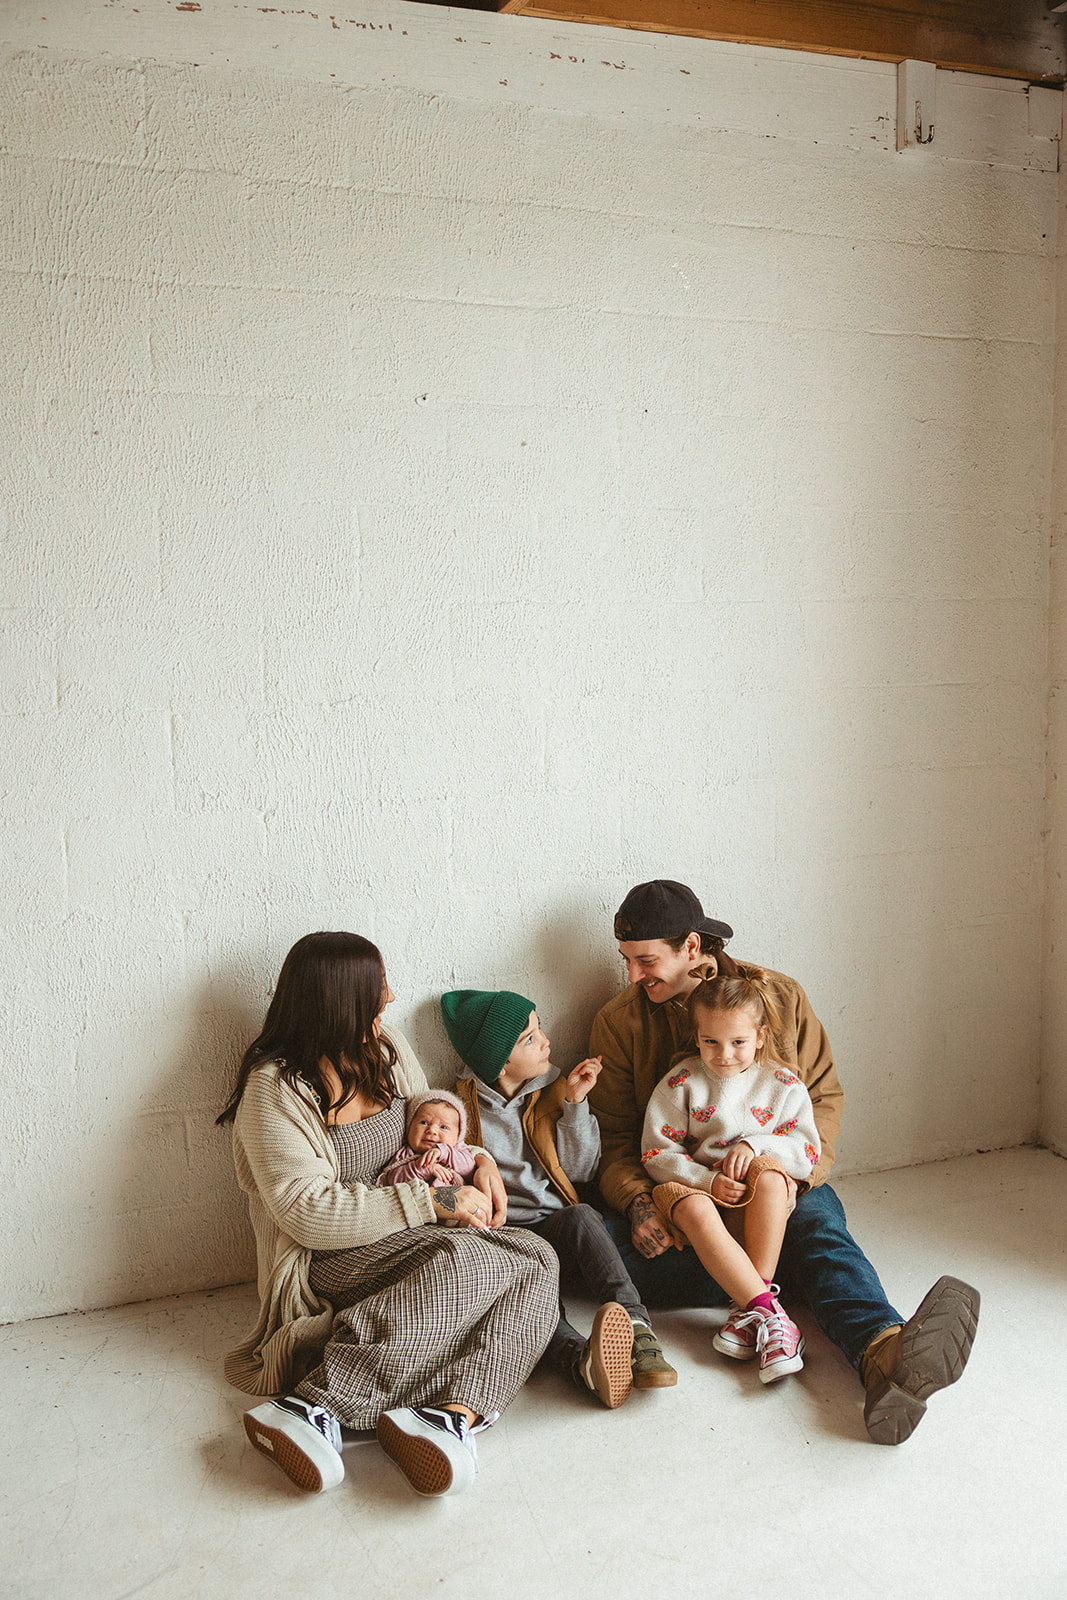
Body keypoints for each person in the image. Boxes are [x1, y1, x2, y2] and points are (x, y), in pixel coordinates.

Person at [589, 879, 980, 1445]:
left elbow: (822, 1100)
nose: (631, 976)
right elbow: (619, 1140)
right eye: (625, 960)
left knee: (818, 1225)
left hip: (777, 1179)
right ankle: (775, 1285)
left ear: (692, 948)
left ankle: (881, 1351)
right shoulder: (620, 1022)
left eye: (645, 960)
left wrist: (792, 1174)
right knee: (600, 1248)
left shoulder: (780, 997)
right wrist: (640, 1202)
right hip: (690, 1194)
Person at [217, 932, 558, 1498]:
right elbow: (307, 1213)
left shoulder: (386, 1049)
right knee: (465, 1258)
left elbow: (435, 1124)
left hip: (407, 1234)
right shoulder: (275, 1089)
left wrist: (478, 1162)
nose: (391, 997)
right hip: (327, 1257)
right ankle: (314, 1404)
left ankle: (450, 1415)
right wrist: (435, 1201)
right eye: (377, 990)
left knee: (540, 1257)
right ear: (337, 1002)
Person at [440, 987, 677, 1409]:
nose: (546, 1040)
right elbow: (435, 1177)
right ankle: (583, 1361)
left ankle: (638, 1329)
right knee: (530, 1300)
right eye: (529, 1038)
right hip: (506, 1239)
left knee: (585, 1216)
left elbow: (582, 1171)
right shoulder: (458, 1110)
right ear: (499, 1061)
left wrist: (574, 1104)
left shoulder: (555, 1087)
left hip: (556, 1223)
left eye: (540, 1027)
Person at [642, 968, 820, 1383]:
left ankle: (746, 1312)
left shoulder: (783, 1085)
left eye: (738, 1042)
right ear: (697, 1037)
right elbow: (655, 1152)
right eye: (711, 1042)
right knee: (684, 1200)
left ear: (759, 1036)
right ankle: (772, 1316)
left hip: (756, 1198)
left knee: (773, 1176)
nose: (724, 1054)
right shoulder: (682, 1082)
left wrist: (757, 1145)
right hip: (699, 1194)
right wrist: (704, 1181)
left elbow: (807, 1151)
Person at [376, 1090, 479, 1188]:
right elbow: (392, 1181)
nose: (432, 1130)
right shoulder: (406, 1155)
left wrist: (445, 1152)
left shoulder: (459, 1151)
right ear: (410, 1126)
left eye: (443, 1127)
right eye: (424, 1123)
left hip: (462, 1200)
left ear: (458, 1136)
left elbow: (470, 1169)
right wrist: (422, 1167)